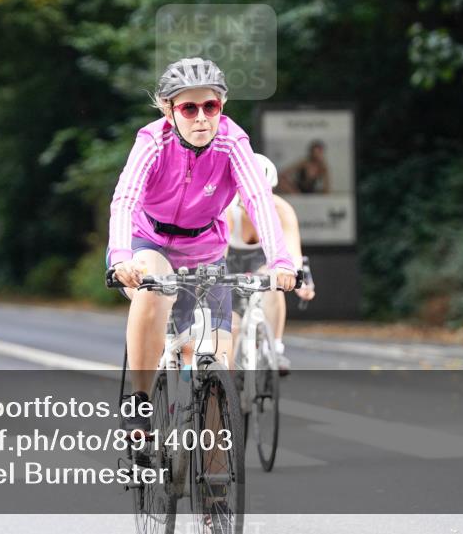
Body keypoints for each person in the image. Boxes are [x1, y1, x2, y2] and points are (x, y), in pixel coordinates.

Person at [107, 57, 298, 437]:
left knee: (219, 364)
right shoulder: (152, 141)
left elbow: (259, 200)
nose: (200, 118)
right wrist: (120, 257)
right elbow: (124, 199)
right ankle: (140, 401)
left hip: (205, 250)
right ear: (168, 110)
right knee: (153, 289)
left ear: (221, 107)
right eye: (188, 108)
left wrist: (280, 260)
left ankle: (213, 483)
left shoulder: (232, 141)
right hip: (149, 240)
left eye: (209, 106)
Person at [225, 154, 315, 375]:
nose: (252, 203)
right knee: (231, 328)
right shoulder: (227, 210)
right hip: (230, 263)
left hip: (264, 262)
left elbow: (293, 251)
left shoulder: (282, 210)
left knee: (274, 282)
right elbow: (218, 253)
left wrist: (301, 279)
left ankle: (274, 348)